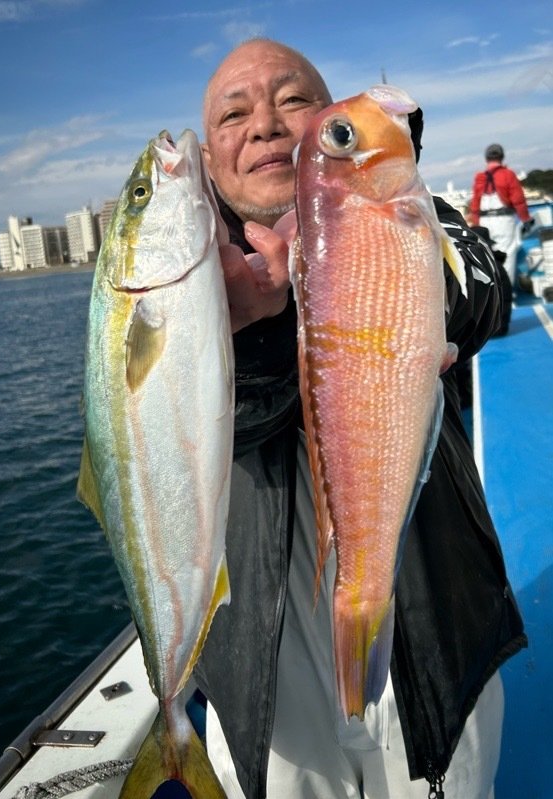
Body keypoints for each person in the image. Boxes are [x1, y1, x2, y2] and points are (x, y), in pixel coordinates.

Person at [193, 38, 527, 799]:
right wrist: (263, 337)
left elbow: (486, 294)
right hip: (266, 677)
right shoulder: (177, 277)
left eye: (293, 100)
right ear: (211, 162)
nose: (267, 124)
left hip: (433, 639)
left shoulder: (415, 211)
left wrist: (385, 296)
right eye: (233, 114)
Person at [469, 143, 533, 286]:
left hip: (485, 222)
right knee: (507, 255)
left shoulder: (480, 177)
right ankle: (506, 292)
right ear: (502, 157)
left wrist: (476, 225)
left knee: (488, 256)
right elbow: (518, 201)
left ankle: (493, 294)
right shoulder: (508, 174)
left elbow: (475, 205)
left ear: (486, 159)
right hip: (503, 221)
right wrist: (526, 219)